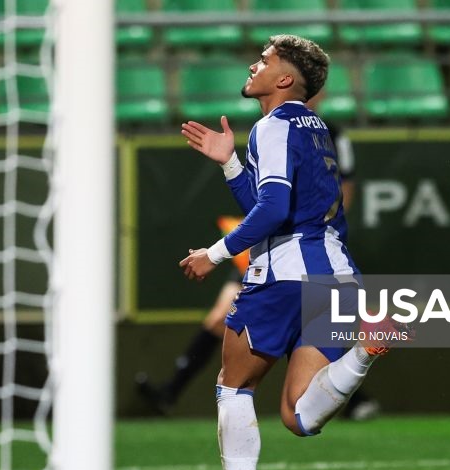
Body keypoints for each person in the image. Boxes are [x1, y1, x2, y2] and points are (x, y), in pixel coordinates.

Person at [175, 35, 408, 470]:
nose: (253, 65)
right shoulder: (314, 127)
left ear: (283, 79)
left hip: (284, 275)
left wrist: (213, 255)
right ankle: (366, 350)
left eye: (264, 61)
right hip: (338, 276)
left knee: (233, 387)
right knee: (299, 417)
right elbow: (271, 196)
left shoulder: (273, 125)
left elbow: (275, 210)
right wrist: (229, 162)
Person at [135, 91, 381, 421]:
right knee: (237, 325)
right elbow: (264, 200)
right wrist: (230, 164)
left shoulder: (325, 133)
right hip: (265, 243)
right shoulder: (272, 128)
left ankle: (173, 391)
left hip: (297, 245)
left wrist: (322, 229)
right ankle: (172, 390)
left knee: (255, 355)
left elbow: (339, 190)